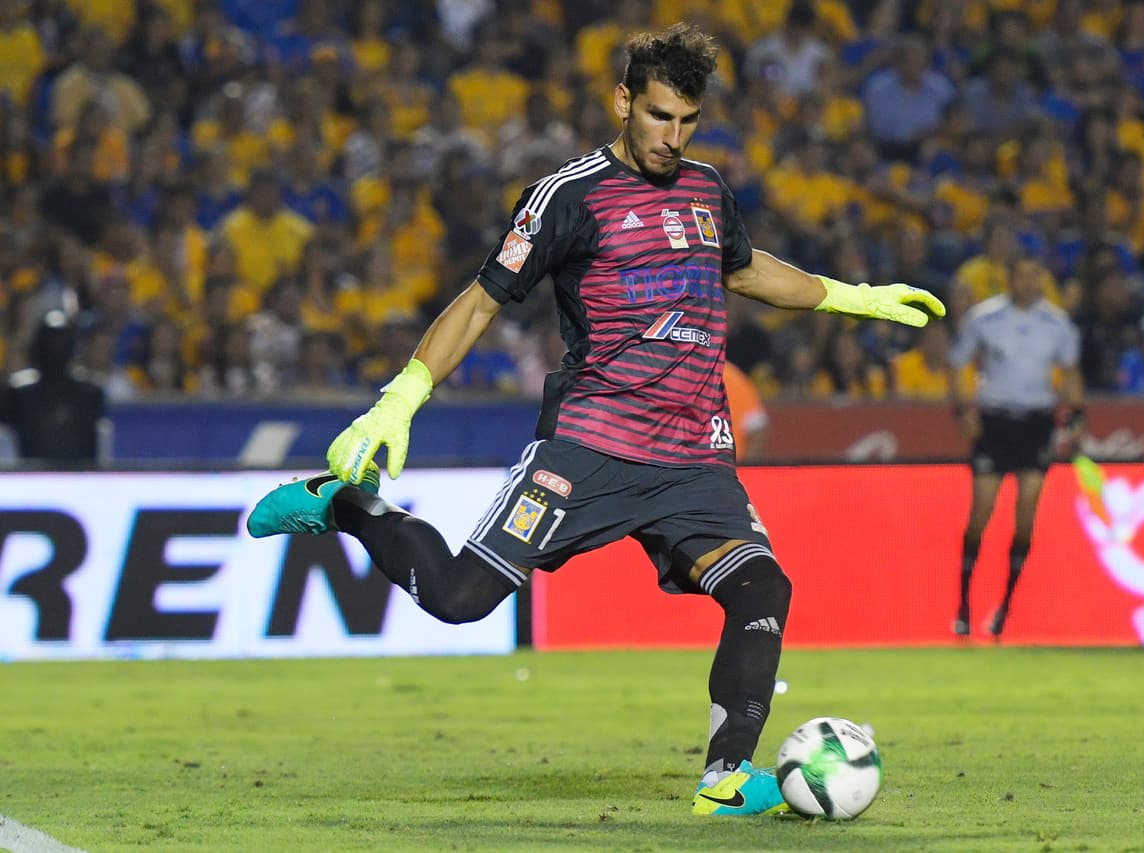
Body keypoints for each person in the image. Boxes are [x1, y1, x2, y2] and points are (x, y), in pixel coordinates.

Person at [247, 24, 944, 816]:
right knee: (458, 597)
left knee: (761, 585)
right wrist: (401, 395)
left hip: (692, 452)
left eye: (686, 121)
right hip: (593, 445)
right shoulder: (568, 196)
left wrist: (852, 296)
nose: (671, 137)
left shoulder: (708, 189)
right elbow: (480, 301)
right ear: (623, 101)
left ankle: (723, 777)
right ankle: (341, 502)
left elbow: (745, 270)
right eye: (657, 117)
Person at [947, 256, 1083, 639]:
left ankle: (1005, 607)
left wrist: (1075, 413)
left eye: (1034, 275)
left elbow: (1071, 373)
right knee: (982, 511)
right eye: (1022, 275)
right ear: (1010, 279)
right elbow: (960, 364)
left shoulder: (1057, 324)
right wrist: (963, 409)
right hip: (996, 419)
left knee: (1026, 512)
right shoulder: (984, 318)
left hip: (1036, 420)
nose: (1028, 283)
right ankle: (964, 604)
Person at [0, 311, 108, 466]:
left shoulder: (91, 393)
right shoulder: (18, 393)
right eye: (50, 342)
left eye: (62, 342)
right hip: (29, 483)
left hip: (81, 482)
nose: (56, 348)